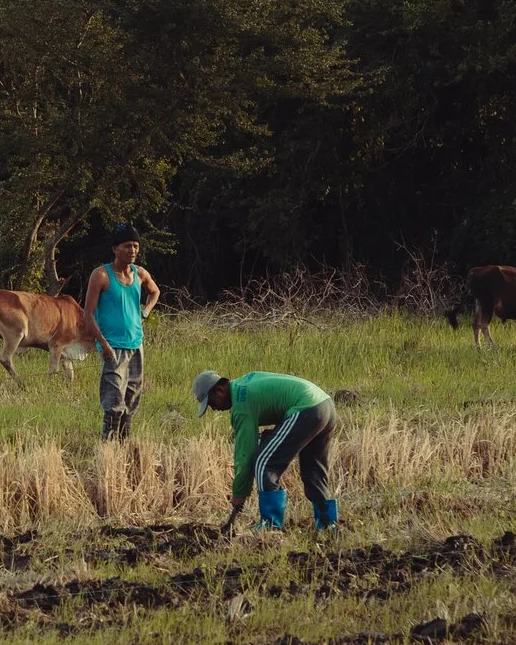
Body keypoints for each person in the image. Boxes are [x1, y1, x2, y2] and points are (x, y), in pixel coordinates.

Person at [193, 368, 338, 532]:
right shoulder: (244, 382)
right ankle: (327, 524)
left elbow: (245, 453)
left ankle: (270, 525)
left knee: (264, 464)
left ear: (219, 390)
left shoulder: (241, 406)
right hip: (325, 405)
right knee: (314, 470)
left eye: (211, 403)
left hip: (306, 409)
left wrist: (240, 492)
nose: (213, 408)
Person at [84, 224, 161, 440]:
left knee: (132, 394)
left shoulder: (140, 273)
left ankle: (124, 441)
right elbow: (88, 315)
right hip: (112, 346)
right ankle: (108, 445)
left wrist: (145, 311)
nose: (133, 250)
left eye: (136, 246)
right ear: (115, 248)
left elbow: (155, 292)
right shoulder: (101, 275)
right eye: (127, 246)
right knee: (113, 397)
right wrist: (103, 344)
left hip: (136, 344)